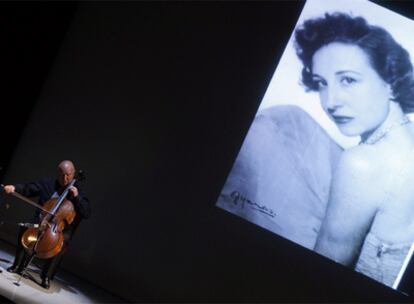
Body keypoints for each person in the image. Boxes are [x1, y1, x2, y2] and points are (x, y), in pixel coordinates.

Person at [294, 12, 414, 287]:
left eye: (347, 80)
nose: (330, 102)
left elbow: (314, 278)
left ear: (390, 82)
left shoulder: (363, 163)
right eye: (321, 83)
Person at [3, 160, 91, 289]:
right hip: (41, 221)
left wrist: (77, 197)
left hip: (60, 228)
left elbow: (86, 212)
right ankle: (18, 266)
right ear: (58, 173)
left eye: (69, 175)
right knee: (26, 227)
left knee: (62, 244)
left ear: (73, 173)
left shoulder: (77, 191)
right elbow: (29, 188)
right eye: (62, 175)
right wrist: (14, 188)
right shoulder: (48, 183)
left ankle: (46, 277)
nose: (65, 178)